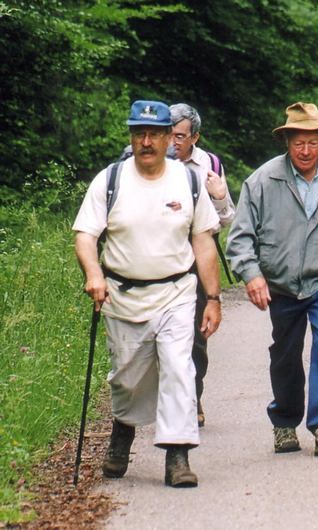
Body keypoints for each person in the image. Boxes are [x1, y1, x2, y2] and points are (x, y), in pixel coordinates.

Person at [73, 100, 221, 487]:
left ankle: (178, 455)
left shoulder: (187, 181)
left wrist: (214, 298)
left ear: (169, 138)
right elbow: (86, 235)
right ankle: (123, 428)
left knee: (178, 368)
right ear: (131, 136)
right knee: (127, 377)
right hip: (122, 294)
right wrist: (93, 274)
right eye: (140, 133)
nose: (147, 141)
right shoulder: (110, 181)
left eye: (155, 133)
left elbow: (203, 241)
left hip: (176, 291)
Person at [226, 102, 318, 457]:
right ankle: (285, 421)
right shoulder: (262, 180)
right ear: (286, 142)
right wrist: (252, 274)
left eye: (313, 142)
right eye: (298, 143)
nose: (305, 151)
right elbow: (240, 237)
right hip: (282, 283)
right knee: (285, 353)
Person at [169, 103, 236, 428]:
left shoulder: (209, 164)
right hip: (155, 261)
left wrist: (220, 196)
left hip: (196, 261)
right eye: (169, 134)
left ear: (195, 136)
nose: (172, 141)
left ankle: (193, 397)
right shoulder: (141, 159)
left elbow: (226, 220)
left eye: (180, 136)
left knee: (196, 336)